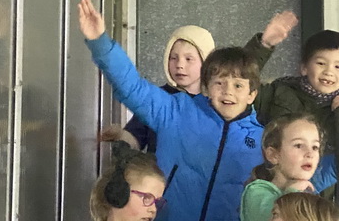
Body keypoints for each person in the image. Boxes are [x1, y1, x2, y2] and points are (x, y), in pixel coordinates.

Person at [78, 0, 267, 221]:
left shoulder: (264, 141)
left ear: (252, 94)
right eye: (219, 83)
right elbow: (132, 87)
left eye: (238, 86)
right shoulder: (177, 110)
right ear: (207, 85)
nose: (227, 92)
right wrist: (100, 43)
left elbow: (300, 171)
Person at [103, 14, 296, 154]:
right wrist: (122, 139)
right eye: (173, 57)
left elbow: (239, 71)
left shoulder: (218, 103)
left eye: (189, 59)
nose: (179, 65)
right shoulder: (161, 99)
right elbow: (135, 136)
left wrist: (264, 44)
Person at [253, 29, 339, 177]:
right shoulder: (279, 91)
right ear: (304, 67)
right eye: (321, 63)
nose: (328, 72)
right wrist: (263, 46)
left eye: (338, 66)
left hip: (317, 196)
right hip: (273, 186)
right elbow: (242, 86)